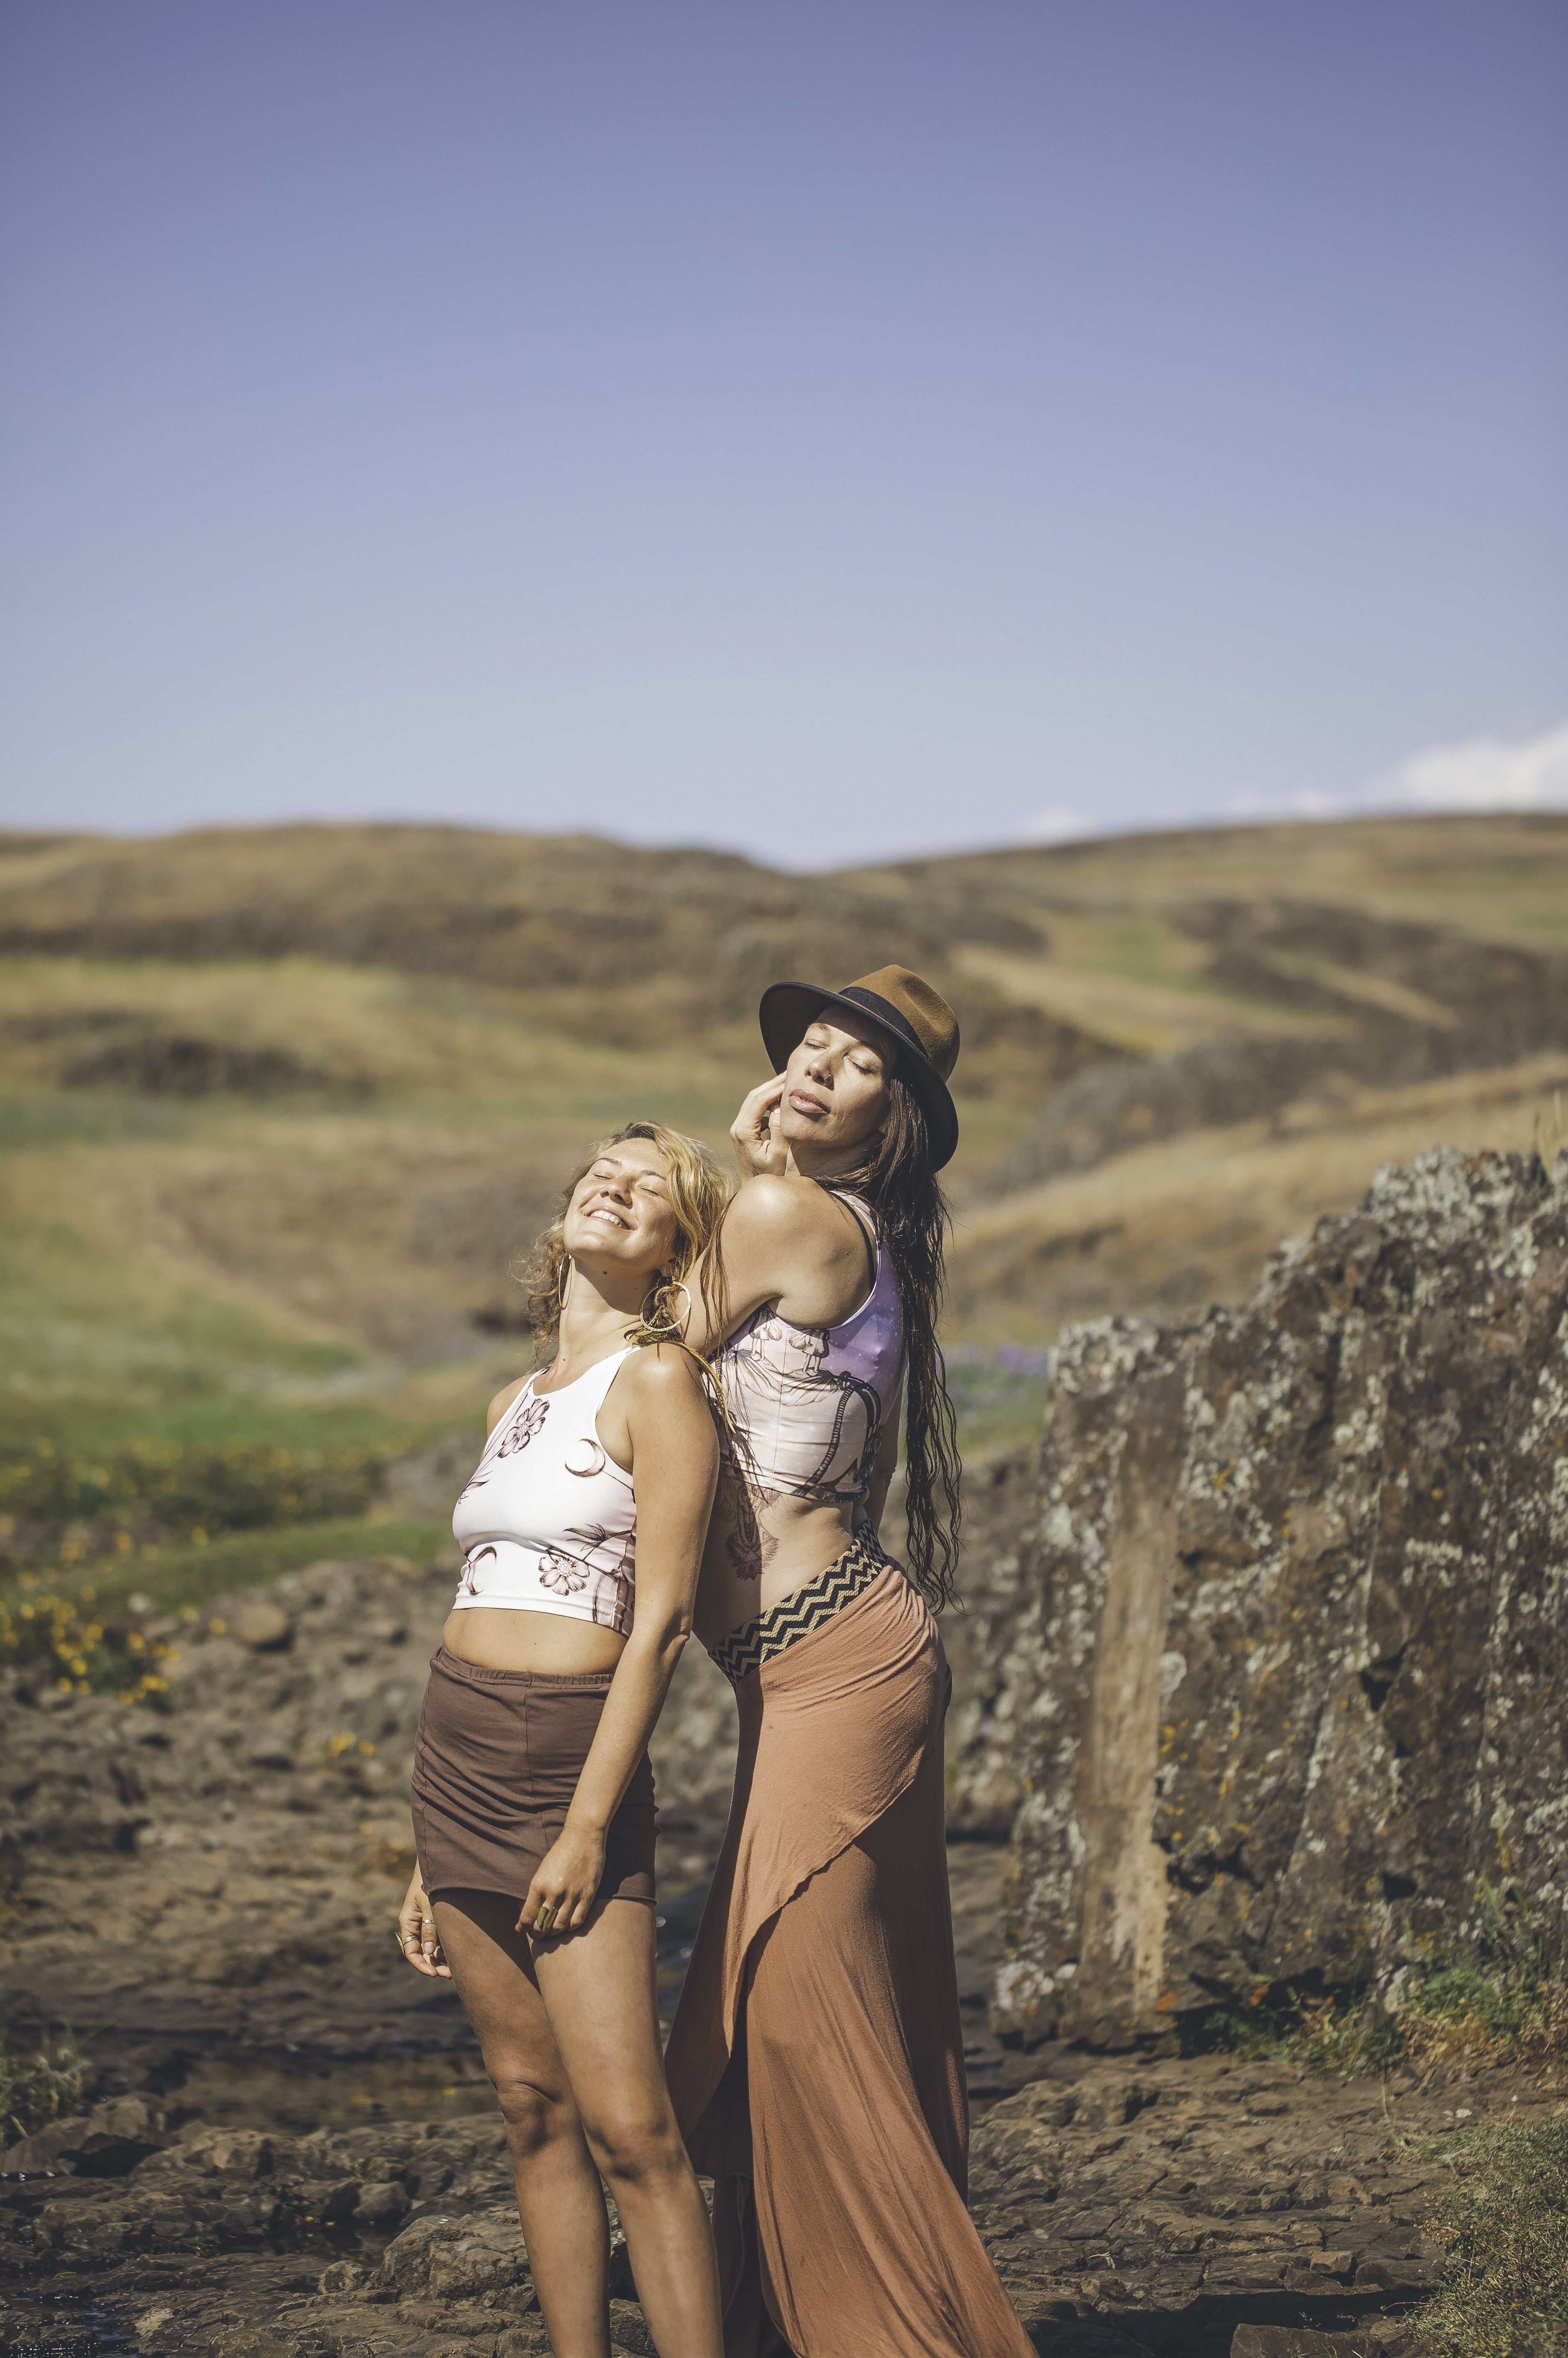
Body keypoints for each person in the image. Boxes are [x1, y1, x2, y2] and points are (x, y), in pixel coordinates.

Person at [666, 968, 1035, 2358]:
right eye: (809, 1045)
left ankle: (892, 2330)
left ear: (897, 1116)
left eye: (858, 1061)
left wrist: (745, 1171)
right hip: (833, 1661)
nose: (818, 1063)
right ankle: (801, 2314)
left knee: (800, 2014)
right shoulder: (845, 1228)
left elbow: (635, 1368)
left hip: (834, 1665)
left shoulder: (787, 1214)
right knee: (835, 2007)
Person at [397, 1122, 732, 2358]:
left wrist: (589, 1826)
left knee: (632, 2130)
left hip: (568, 1757)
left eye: (650, 1187)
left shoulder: (659, 1383)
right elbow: (475, 1587)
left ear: (674, 1251)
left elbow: (664, 1623)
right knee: (530, 2106)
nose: (615, 1185)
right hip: (456, 1754)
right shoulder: (512, 1399)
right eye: (604, 1168)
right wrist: (423, 1857)